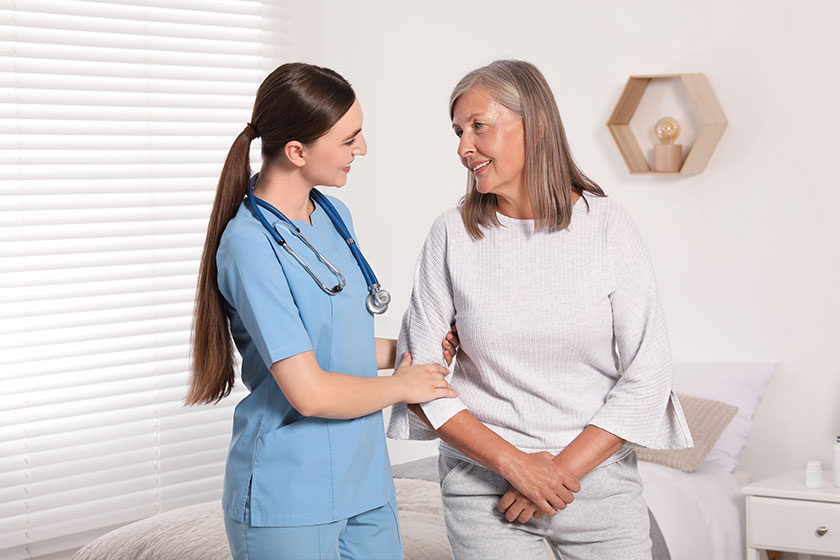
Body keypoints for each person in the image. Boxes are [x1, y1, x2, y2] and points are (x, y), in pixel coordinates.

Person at [387, 60, 693, 560]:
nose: (463, 148)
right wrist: (516, 466)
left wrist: (554, 475)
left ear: (537, 124)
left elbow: (649, 375)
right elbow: (419, 380)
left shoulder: (607, 227)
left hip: (598, 486)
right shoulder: (450, 234)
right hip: (482, 489)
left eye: (478, 127)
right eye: (459, 132)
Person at [186, 62, 458, 560]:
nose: (363, 149)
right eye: (349, 139)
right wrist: (404, 386)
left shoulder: (334, 216)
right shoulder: (249, 245)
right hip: (291, 488)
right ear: (297, 151)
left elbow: (335, 342)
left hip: (365, 478)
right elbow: (308, 391)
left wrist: (413, 349)